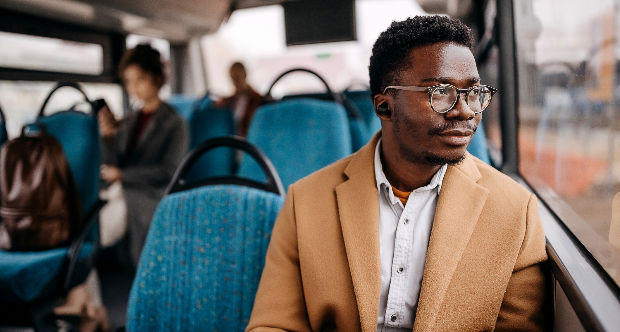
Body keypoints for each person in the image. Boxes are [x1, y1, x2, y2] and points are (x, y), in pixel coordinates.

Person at [247, 16, 550, 331]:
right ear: (384, 106)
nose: (465, 111)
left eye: (474, 93)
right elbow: (274, 323)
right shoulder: (306, 202)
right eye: (441, 92)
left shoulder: (515, 210)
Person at [99, 44, 189, 268]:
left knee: (98, 230)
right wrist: (107, 139)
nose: (133, 87)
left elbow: (169, 171)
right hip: (124, 189)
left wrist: (123, 175)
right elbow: (113, 164)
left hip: (152, 193)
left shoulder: (175, 123)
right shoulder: (128, 121)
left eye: (140, 79)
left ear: (157, 79)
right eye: (128, 81)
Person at [215, 62, 262, 137]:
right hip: (232, 142)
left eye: (237, 77)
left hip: (250, 141)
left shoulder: (259, 100)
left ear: (245, 75)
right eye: (232, 78)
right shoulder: (228, 101)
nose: (235, 82)